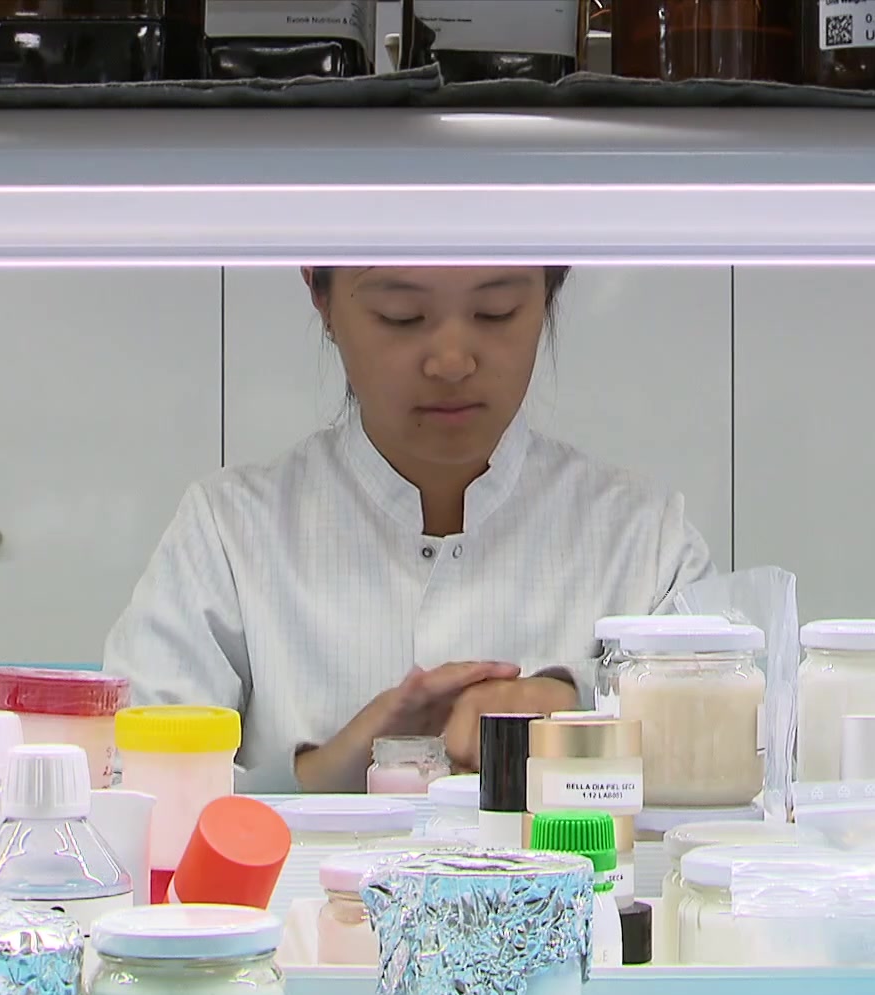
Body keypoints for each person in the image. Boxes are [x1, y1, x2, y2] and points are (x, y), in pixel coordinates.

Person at [103, 266, 714, 792]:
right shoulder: (229, 532)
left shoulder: (645, 538)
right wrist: (331, 771)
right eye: (401, 316)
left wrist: (579, 700)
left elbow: (727, 769)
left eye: (496, 311)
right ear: (321, 296)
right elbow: (133, 789)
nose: (451, 362)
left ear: (550, 293)